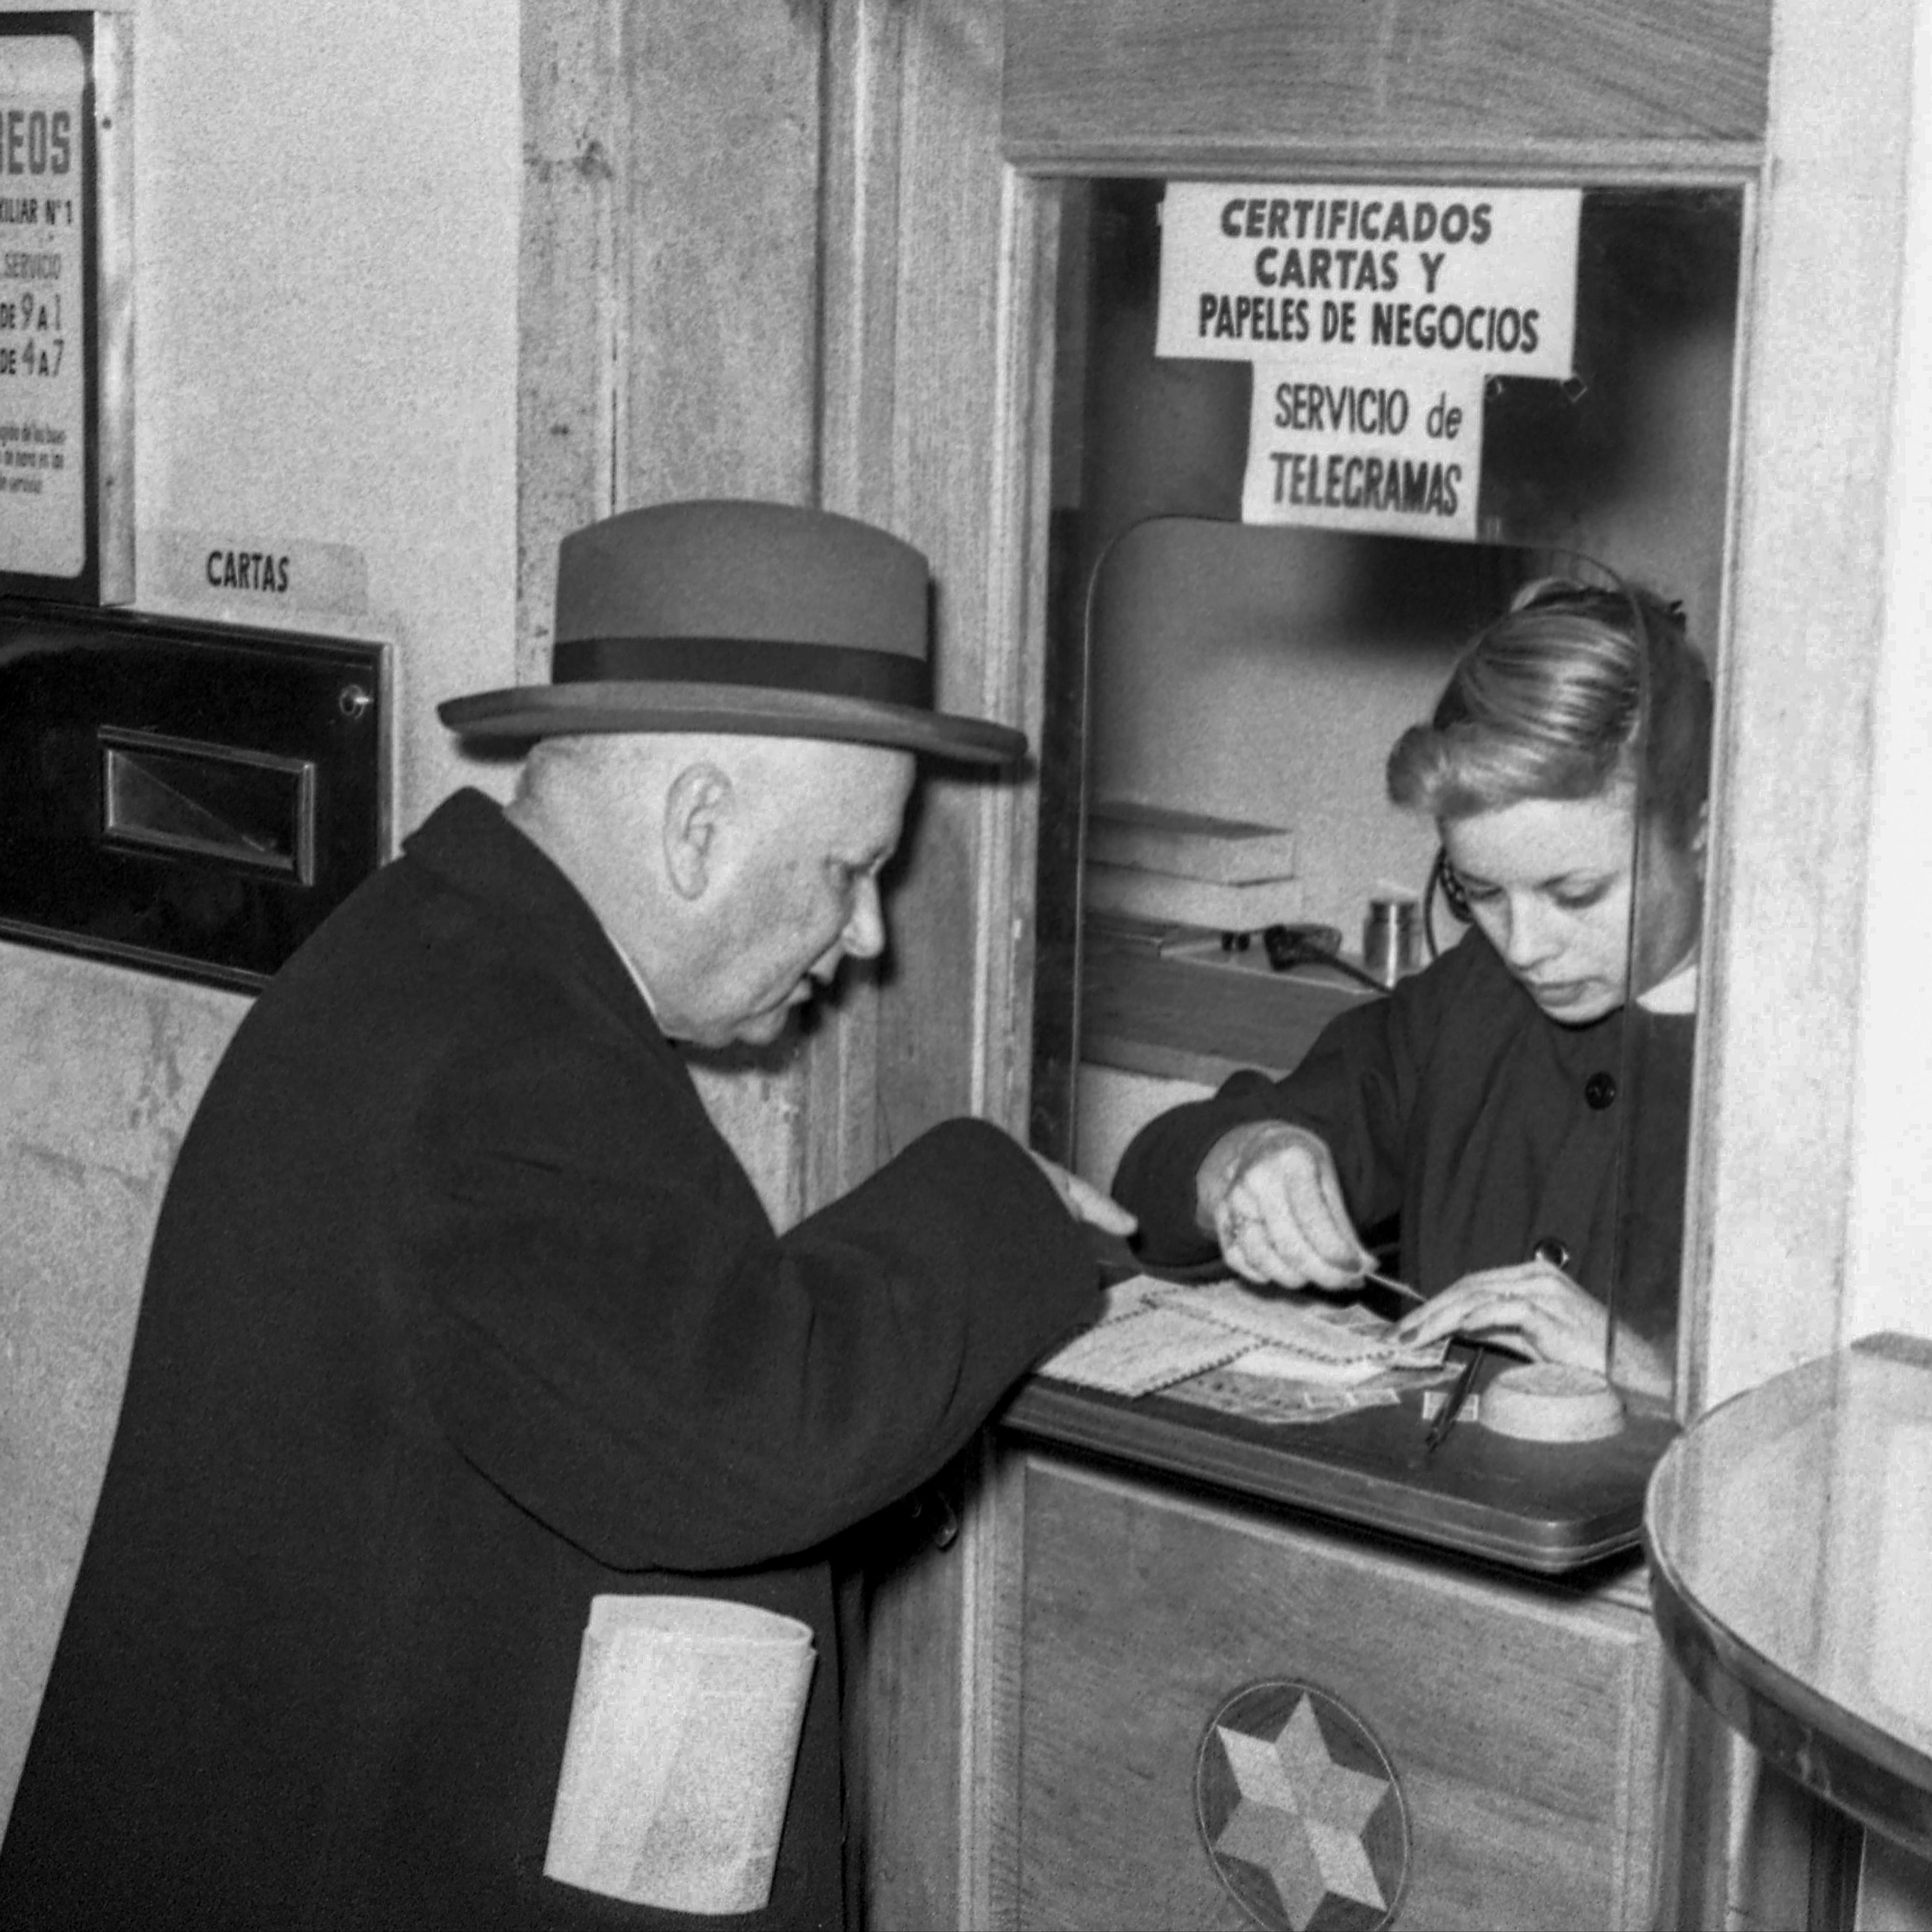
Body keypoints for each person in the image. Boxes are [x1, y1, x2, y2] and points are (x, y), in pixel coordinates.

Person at [0, 500, 1129, 1930]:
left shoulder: (451, 963)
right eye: (850, 871)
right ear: (698, 823)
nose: (866, 938)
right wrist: (1000, 1194)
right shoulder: (504, 1067)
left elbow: (650, 1342)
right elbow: (750, 1429)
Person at [1112, 577, 1710, 1396]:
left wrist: (1657, 1384)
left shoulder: (1818, 1067)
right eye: (1482, 894)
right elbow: (1150, 1185)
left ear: (1703, 833)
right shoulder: (1468, 1002)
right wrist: (1245, 1163)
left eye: (1576, 895)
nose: (1527, 949)